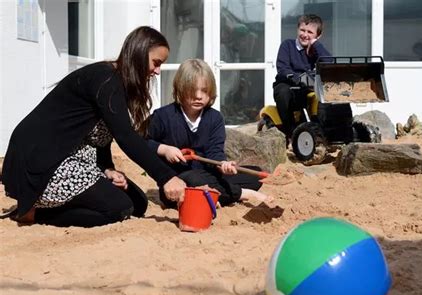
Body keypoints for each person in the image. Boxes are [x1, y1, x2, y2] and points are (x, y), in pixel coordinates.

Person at [1, 26, 187, 228]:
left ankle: (46, 207)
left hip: (75, 158)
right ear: (140, 53)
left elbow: (101, 133)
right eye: (156, 63)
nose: (158, 71)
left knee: (138, 203)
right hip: (44, 160)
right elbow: (126, 137)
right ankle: (34, 212)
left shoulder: (117, 82)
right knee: (120, 208)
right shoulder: (106, 79)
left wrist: (107, 168)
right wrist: (166, 177)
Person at [146, 58, 270, 208]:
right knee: (193, 178)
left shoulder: (215, 118)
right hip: (178, 183)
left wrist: (222, 164)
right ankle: (242, 194)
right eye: (192, 91)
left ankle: (214, 194)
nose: (199, 96)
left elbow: (215, 152)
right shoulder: (162, 116)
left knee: (254, 175)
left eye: (204, 91)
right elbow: (142, 142)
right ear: (180, 89)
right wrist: (164, 149)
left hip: (209, 176)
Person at [273, 14, 331, 140]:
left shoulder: (317, 50)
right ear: (297, 29)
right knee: (283, 92)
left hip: (308, 88)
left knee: (325, 95)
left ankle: (323, 130)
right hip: (289, 86)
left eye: (310, 32)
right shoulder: (287, 45)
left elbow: (329, 63)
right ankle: (291, 134)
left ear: (318, 36)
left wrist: (316, 45)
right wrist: (299, 78)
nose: (305, 35)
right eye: (302, 30)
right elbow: (282, 69)